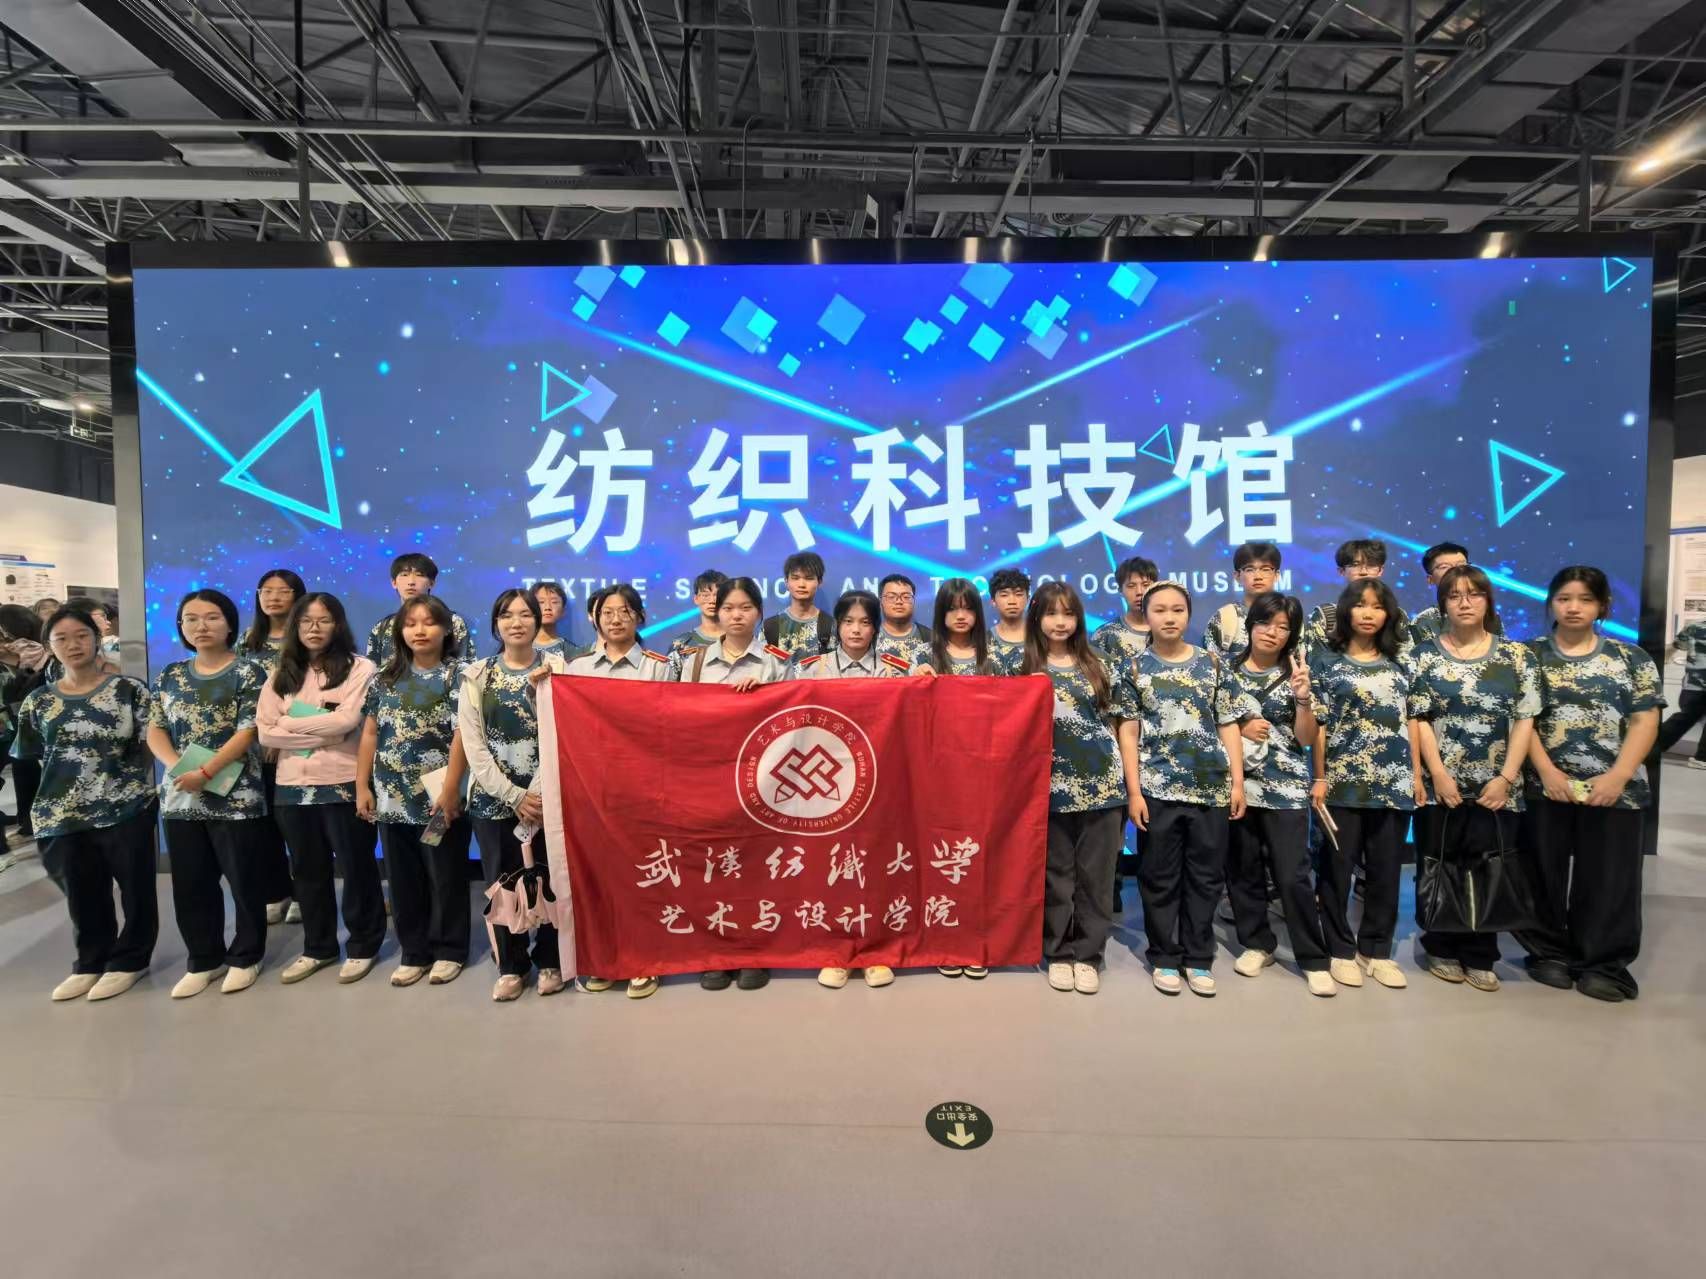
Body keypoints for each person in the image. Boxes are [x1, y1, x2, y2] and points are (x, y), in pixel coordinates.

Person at [1520, 566, 1661, 1002]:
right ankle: (1548, 953)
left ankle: (1603, 964)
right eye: (1564, 598)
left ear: (1602, 606)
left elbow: (1645, 719)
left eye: (1585, 599)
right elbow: (1522, 720)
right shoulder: (1528, 656)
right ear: (1551, 603)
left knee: (1611, 877)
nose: (1573, 608)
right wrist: (1547, 772)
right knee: (1541, 871)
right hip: (1546, 785)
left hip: (1616, 789)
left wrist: (1618, 776)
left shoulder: (1630, 658)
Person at [10, 606, 158, 1002]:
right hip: (61, 813)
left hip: (125, 807)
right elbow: (31, 756)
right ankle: (91, 961)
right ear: (48, 646)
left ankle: (131, 960)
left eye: (81, 635)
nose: (73, 645)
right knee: (82, 892)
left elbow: (150, 746)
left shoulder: (129, 691)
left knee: (136, 890)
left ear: (97, 638)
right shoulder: (39, 701)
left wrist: (124, 782)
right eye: (61, 638)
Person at [1410, 565, 1540, 992]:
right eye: (1454, 595)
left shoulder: (1517, 657)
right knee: (1440, 863)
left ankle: (1482, 952)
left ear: (1488, 600)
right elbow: (1419, 718)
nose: (1464, 603)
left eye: (1474, 594)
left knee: (1490, 865)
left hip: (1496, 787)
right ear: (1442, 604)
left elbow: (1525, 720)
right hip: (1441, 785)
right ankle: (1440, 945)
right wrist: (1438, 774)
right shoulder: (1423, 655)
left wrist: (1506, 777)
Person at [1011, 582, 1141, 996]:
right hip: (1045, 791)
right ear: (1037, 618)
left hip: (1102, 788)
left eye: (1068, 613)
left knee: (1096, 878)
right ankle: (1058, 953)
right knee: (1055, 877)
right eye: (1051, 613)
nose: (1060, 622)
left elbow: (1123, 725)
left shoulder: (1101, 663)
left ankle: (1088, 955)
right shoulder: (1019, 665)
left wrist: (1131, 788)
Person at [146, 589, 271, 998]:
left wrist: (207, 770)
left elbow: (249, 729)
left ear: (230, 624)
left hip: (236, 796)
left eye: (212, 617)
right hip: (182, 796)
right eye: (191, 619)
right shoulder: (170, 675)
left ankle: (246, 956)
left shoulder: (249, 673)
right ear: (181, 626)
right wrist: (176, 767)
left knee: (245, 880)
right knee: (191, 883)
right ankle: (204, 959)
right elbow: (155, 727)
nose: (201, 626)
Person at [257, 593, 385, 985]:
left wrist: (288, 724)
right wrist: (318, 729)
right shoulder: (282, 672)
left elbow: (347, 722)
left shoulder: (360, 667)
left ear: (338, 624)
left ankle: (363, 945)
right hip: (291, 787)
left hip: (343, 782)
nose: (314, 628)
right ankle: (318, 947)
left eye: (323, 620)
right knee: (307, 871)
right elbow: (265, 731)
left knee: (357, 868)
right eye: (306, 621)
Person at [673, 576, 789, 992]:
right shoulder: (695, 663)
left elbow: (795, 718)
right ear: (715, 612)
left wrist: (767, 693)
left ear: (759, 612)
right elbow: (680, 718)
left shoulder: (776, 662)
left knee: (757, 866)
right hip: (710, 779)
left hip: (764, 784)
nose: (736, 615)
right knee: (713, 866)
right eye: (728, 608)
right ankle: (717, 954)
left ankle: (755, 951)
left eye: (745, 607)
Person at [1310, 578, 1425, 990]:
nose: (1369, 613)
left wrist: (1416, 774)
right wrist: (1319, 776)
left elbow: (1413, 720)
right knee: (1336, 870)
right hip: (1342, 783)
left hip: (1393, 784)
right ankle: (1339, 949)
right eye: (1361, 605)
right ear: (1347, 611)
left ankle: (1376, 950)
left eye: (1377, 606)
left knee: (1386, 871)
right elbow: (1319, 726)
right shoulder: (1327, 662)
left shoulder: (1403, 663)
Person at [1131, 582, 1244, 997]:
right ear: (1146, 616)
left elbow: (1228, 723)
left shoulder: (1212, 664)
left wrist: (1237, 782)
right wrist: (1134, 791)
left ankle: (1198, 957)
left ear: (1189, 614)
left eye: (1177, 610)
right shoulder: (1134, 668)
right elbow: (1128, 732)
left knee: (1205, 877)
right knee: (1158, 877)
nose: (1169, 617)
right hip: (1157, 788)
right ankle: (1164, 955)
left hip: (1210, 789)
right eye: (1159, 610)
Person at [356, 595, 472, 989]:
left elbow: (462, 735)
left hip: (439, 799)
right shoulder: (384, 678)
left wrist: (452, 789)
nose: (419, 631)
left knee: (445, 876)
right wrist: (362, 784)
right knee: (402, 879)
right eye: (410, 624)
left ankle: (450, 950)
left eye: (428, 622)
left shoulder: (458, 675)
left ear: (446, 630)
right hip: (392, 799)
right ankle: (414, 952)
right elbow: (370, 733)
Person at [562, 584, 671, 999]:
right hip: (592, 790)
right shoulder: (576, 669)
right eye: (607, 612)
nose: (616, 619)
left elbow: (669, 727)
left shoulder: (660, 668)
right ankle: (606, 959)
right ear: (595, 619)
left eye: (625, 611)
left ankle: (644, 960)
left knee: (644, 876)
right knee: (599, 878)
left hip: (643, 790)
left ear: (639, 617)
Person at [1222, 593, 1333, 995]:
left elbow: (1305, 738)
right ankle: (1257, 943)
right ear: (1251, 624)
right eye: (1265, 623)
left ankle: (1313, 958)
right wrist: (1241, 726)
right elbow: (1213, 723)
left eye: (1283, 627)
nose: (1272, 632)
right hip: (1237, 786)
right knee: (1243, 870)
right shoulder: (1225, 670)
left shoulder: (1299, 673)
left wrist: (1302, 699)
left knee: (1293, 875)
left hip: (1285, 787)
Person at [459, 589, 564, 1002]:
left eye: (525, 614)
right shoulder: (476, 675)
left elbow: (560, 732)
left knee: (550, 880)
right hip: (493, 801)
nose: (516, 622)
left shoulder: (557, 668)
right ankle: (511, 965)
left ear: (538, 620)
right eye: (507, 615)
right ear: (496, 623)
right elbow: (473, 745)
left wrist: (534, 793)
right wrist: (513, 796)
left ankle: (552, 959)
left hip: (548, 798)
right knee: (502, 886)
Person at [238, 568, 305, 925]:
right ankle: (275, 891)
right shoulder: (247, 642)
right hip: (251, 747)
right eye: (266, 590)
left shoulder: (306, 639)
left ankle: (303, 893)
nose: (273, 597)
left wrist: (281, 738)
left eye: (282, 591)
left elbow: (313, 695)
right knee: (261, 826)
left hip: (294, 746)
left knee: (297, 827)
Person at [365, 552, 477, 666]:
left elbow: (467, 669)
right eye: (404, 575)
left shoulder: (451, 622)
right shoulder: (382, 627)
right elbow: (372, 670)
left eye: (419, 575)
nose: (411, 582)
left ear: (431, 583)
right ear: (394, 583)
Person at [0, 603, 50, 854]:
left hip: (30, 727)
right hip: (18, 727)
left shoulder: (35, 652)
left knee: (35, 774)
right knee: (26, 774)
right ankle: (29, 823)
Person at [1303, 539, 1408, 654]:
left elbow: (1405, 657)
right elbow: (1315, 659)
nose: (1363, 572)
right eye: (1355, 565)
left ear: (1380, 571)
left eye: (1371, 565)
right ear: (1341, 571)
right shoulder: (1325, 615)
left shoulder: (1397, 615)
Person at [792, 590, 919, 681]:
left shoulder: (892, 672)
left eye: (865, 622)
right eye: (848, 621)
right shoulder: (815, 670)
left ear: (875, 627)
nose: (856, 630)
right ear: (838, 625)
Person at [1407, 542, 1501, 644]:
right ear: (1430, 579)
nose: (1456, 571)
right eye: (1444, 567)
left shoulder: (1489, 616)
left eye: (1461, 565)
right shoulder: (1423, 621)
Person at [1204, 541, 1281, 661]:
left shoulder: (1288, 617)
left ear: (1276, 575)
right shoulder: (1223, 618)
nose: (1258, 576)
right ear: (1237, 576)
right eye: (1250, 569)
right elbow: (1211, 667)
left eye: (1265, 569)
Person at [762, 551, 832, 659]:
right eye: (795, 578)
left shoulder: (830, 625)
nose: (801, 584)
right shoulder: (770, 626)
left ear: (819, 582)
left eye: (809, 578)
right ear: (786, 582)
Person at [1657, 614, 1706, 766]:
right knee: (1684, 719)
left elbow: (1675, 646)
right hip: (1696, 684)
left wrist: (1663, 660)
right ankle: (1702, 758)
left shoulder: (1694, 626)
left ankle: (1650, 747)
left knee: (1683, 719)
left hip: (1693, 685)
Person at [1091, 556, 1155, 669]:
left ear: (1156, 588)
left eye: (1145, 585)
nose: (1139, 592)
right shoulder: (1105, 635)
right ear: (1120, 590)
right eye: (1131, 586)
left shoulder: (1167, 631)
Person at [926, 578, 994, 676]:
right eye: (952, 608)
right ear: (941, 612)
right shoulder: (924, 655)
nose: (960, 616)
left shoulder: (994, 656)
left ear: (977, 612)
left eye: (968, 608)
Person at [875, 573, 933, 668]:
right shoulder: (870, 637)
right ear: (881, 601)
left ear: (914, 601)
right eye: (891, 597)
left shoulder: (930, 637)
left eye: (906, 597)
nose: (899, 601)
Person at [669, 569, 728, 660]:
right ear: (696, 599)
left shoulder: (739, 640)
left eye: (717, 595)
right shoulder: (681, 644)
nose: (712, 601)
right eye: (706, 595)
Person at [987, 568, 1030, 668]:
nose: (1012, 601)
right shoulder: (983, 641)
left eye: (1018, 594)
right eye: (1004, 595)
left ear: (1028, 599)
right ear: (993, 601)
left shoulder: (1040, 638)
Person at [529, 580, 577, 657]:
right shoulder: (521, 647)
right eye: (541, 602)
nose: (547, 607)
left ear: (563, 611)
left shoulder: (571, 650)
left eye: (554, 602)